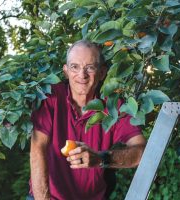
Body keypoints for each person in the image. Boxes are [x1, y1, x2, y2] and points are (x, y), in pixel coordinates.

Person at [29, 40, 146, 200]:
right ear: (66, 71)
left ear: (102, 72)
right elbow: (37, 149)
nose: (82, 75)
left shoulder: (114, 106)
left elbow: (142, 153)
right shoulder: (51, 98)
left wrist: (101, 158)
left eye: (90, 67)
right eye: (74, 67)